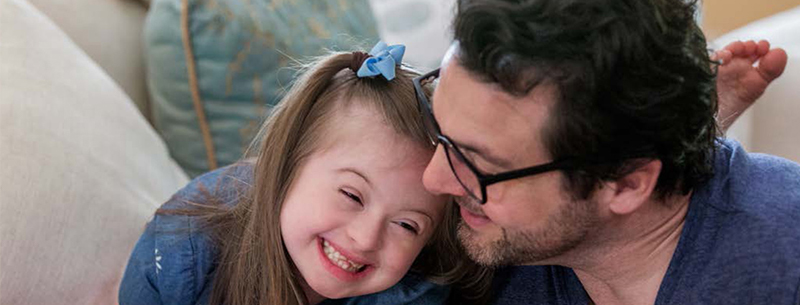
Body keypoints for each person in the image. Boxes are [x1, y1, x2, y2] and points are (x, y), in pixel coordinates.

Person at [411, 0, 799, 304]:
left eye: (479, 163)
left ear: (627, 185)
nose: (433, 180)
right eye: (439, 128)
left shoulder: (780, 266)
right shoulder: (487, 247)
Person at [118, 42, 491, 305]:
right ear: (288, 161)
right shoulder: (178, 253)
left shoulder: (413, 291)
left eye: (408, 226)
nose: (364, 239)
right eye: (351, 195)